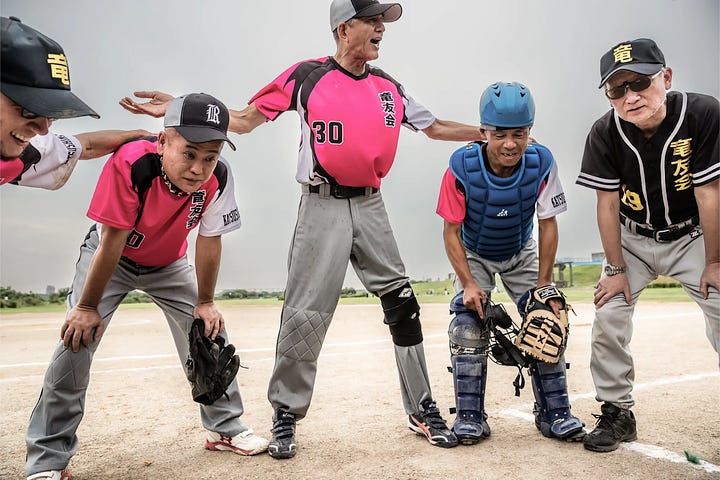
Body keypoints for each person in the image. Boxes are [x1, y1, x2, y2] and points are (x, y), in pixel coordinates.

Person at [120, 0, 485, 459]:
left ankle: (422, 408)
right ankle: (286, 413)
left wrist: (489, 133)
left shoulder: (389, 88)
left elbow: (435, 127)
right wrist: (179, 107)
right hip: (321, 206)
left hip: (371, 205)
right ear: (343, 27)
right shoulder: (307, 77)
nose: (379, 30)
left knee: (403, 304)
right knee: (305, 315)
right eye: (371, 22)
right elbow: (246, 119)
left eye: (381, 23)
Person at [25, 93, 268, 480]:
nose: (198, 168)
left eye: (210, 156)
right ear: (162, 141)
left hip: (169, 264)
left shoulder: (219, 177)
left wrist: (205, 302)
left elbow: (210, 240)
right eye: (188, 154)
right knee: (76, 341)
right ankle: (48, 459)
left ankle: (225, 427)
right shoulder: (133, 163)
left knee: (209, 334)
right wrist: (87, 308)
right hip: (112, 258)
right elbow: (112, 241)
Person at [576, 38, 719, 453]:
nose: (630, 96)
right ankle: (618, 412)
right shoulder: (605, 131)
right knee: (608, 317)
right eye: (617, 89)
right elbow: (606, 204)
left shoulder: (702, 112)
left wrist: (715, 261)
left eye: (639, 82)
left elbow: (710, 192)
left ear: (666, 77)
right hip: (632, 240)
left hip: (693, 236)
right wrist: (616, 270)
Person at [436, 81, 585, 445]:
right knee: (467, 327)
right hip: (474, 252)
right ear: (483, 131)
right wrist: (470, 284)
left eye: (519, 134)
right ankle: (470, 417)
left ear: (529, 131)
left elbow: (548, 223)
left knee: (547, 317)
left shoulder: (542, 162)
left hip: (520, 251)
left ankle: (555, 414)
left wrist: (544, 285)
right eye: (499, 134)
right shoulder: (461, 166)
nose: (509, 144)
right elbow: (450, 233)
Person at [1, 16, 147, 188]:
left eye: (50, 116)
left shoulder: (24, 153)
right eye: (29, 110)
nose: (43, 130)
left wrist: (139, 136)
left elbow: (86, 145)